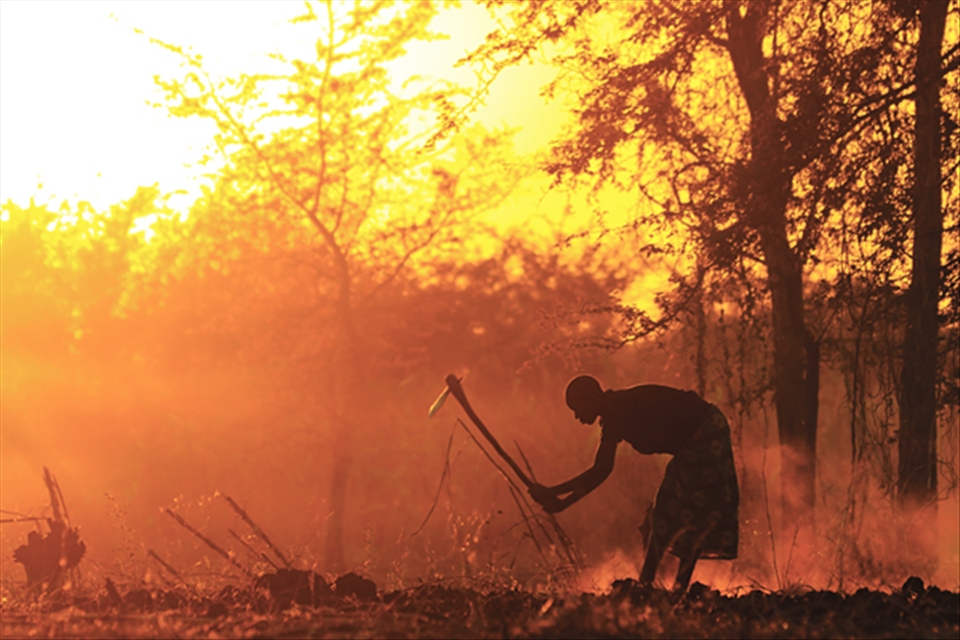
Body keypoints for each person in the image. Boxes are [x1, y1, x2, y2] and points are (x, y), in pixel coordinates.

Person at [528, 375, 739, 591]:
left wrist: (552, 493)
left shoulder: (618, 409)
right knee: (669, 512)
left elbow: (599, 471)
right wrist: (560, 501)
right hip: (698, 436)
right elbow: (601, 470)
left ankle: (665, 587)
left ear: (590, 400)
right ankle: (657, 586)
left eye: (576, 408)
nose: (576, 416)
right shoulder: (613, 416)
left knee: (684, 510)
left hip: (706, 431)